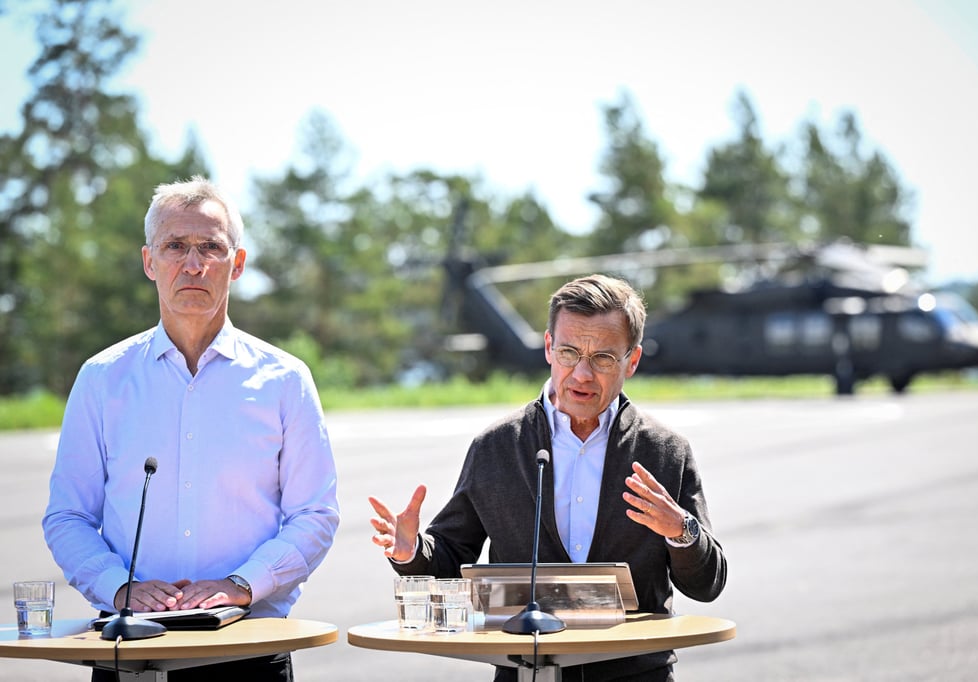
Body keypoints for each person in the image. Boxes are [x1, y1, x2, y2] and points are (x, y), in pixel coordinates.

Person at [43, 176, 340, 681]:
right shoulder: (102, 379)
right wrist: (118, 586)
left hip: (248, 650)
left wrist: (243, 584)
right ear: (148, 262)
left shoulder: (286, 380)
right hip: (131, 649)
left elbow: (315, 514)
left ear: (237, 264)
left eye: (211, 247)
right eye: (175, 246)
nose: (194, 263)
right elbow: (68, 515)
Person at [369, 274, 727, 682]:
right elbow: (450, 556)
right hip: (526, 672)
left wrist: (681, 531)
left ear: (633, 360)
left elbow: (707, 584)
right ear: (547, 348)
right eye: (569, 353)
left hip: (635, 674)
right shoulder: (497, 447)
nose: (581, 375)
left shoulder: (664, 452)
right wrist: (411, 550)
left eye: (603, 358)